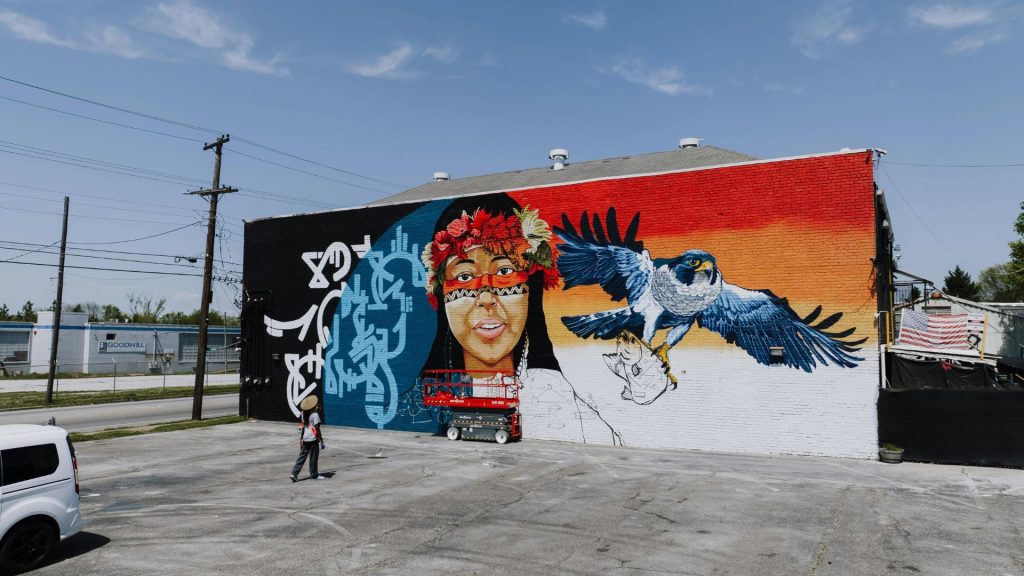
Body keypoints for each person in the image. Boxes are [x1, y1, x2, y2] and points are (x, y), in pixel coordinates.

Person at [420, 194, 622, 445]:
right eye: (464, 277)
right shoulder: (428, 400)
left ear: (531, 287)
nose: (486, 298)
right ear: (442, 293)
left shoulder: (570, 412)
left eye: (505, 271)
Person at [290, 395, 326, 481]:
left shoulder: (303, 413)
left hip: (305, 438)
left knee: (302, 457)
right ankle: (314, 474)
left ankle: (294, 473)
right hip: (313, 439)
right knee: (313, 457)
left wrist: (301, 439)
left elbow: (303, 426)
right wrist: (321, 439)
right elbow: (317, 428)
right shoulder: (315, 415)